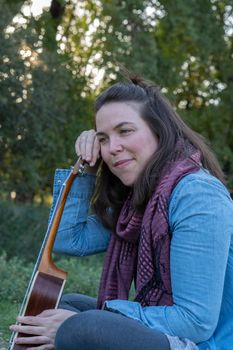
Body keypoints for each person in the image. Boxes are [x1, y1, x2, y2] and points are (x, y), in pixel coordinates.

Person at [10, 77, 233, 350]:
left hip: (209, 343)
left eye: (124, 131)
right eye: (103, 138)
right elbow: (68, 239)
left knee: (82, 326)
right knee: (61, 307)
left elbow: (196, 322)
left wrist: (97, 319)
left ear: (159, 131)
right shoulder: (138, 202)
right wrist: (85, 168)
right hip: (171, 333)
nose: (111, 147)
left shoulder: (197, 195)